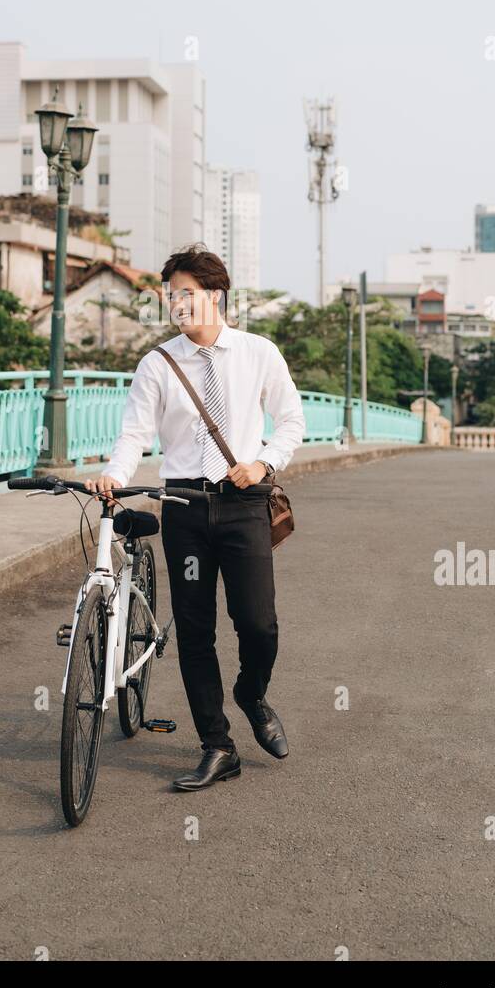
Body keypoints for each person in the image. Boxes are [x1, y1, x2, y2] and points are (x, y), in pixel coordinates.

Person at [85, 243, 305, 792]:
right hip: (183, 505)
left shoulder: (259, 352)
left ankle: (251, 693)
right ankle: (218, 745)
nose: (176, 303)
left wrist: (263, 463)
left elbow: (292, 421)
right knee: (196, 631)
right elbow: (134, 433)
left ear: (215, 296)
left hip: (244, 503)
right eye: (170, 294)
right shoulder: (157, 363)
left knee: (258, 623)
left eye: (186, 293)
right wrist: (114, 473)